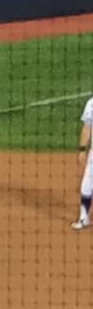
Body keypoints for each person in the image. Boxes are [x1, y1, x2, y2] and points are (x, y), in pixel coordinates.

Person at [71, 97, 93, 230]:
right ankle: (84, 217)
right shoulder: (92, 103)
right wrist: (83, 149)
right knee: (87, 183)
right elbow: (87, 127)